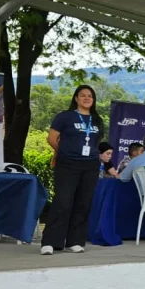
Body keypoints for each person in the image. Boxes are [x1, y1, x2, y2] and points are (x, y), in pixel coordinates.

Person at [42, 85, 103, 255]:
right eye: (82, 95)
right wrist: (65, 152)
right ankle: (50, 242)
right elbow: (51, 138)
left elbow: (95, 142)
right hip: (68, 164)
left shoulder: (97, 120)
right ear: (76, 98)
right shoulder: (65, 117)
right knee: (63, 202)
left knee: (83, 204)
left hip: (90, 165)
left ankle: (75, 241)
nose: (86, 98)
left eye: (90, 96)